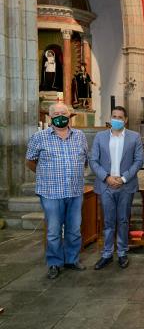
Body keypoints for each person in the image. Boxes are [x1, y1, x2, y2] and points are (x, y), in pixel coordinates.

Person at [26, 103, 88, 279]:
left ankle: (71, 259)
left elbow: (85, 160)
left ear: (70, 116)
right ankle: (54, 262)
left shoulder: (80, 136)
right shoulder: (40, 137)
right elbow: (30, 161)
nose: (61, 116)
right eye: (57, 113)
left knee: (74, 229)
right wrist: (45, 174)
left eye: (64, 113)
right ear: (50, 117)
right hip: (51, 192)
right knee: (53, 230)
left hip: (75, 191)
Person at [90, 106, 144, 270]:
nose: (117, 119)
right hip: (106, 184)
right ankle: (107, 253)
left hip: (125, 185)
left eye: (120, 117)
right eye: (114, 116)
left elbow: (138, 161)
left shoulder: (135, 137)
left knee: (122, 220)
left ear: (125, 120)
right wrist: (106, 177)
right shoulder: (100, 137)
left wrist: (123, 178)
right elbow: (93, 160)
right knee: (107, 221)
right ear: (110, 117)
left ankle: (121, 252)